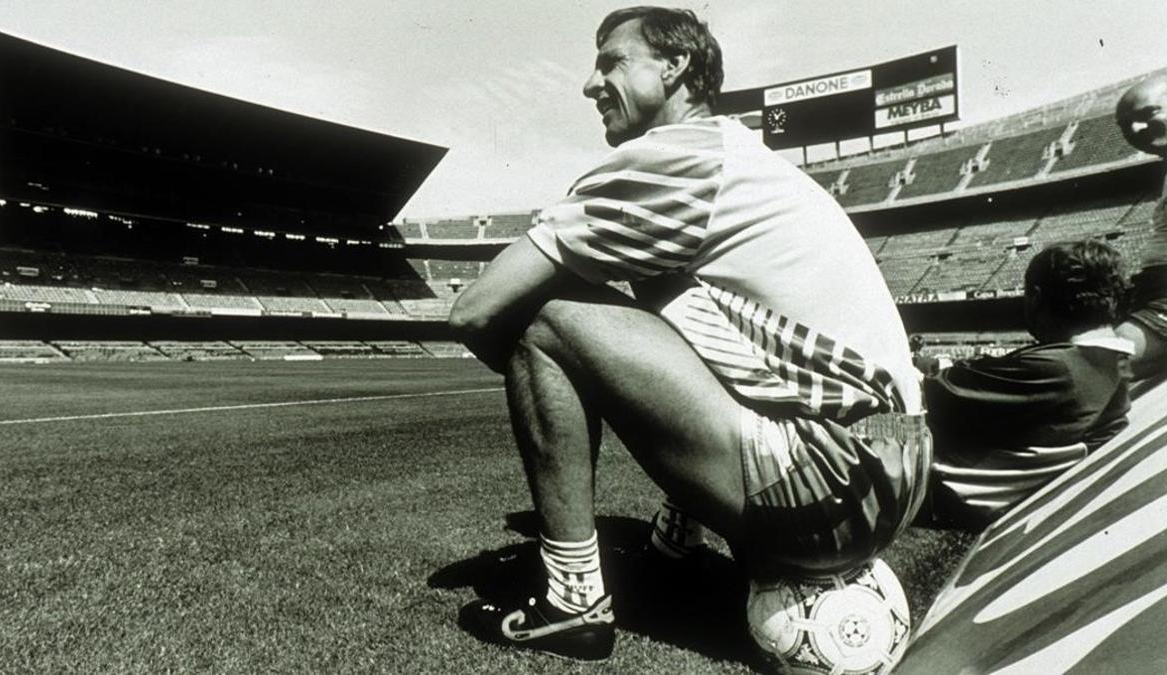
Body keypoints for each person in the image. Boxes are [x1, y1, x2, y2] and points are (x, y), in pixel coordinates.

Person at [449, 6, 928, 662]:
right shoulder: (733, 157)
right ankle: (678, 542)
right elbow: (711, 348)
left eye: (612, 61)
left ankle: (574, 601)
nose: (591, 84)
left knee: (545, 317)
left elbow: (474, 310)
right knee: (664, 319)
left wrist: (557, 380)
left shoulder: (671, 159)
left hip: (833, 481)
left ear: (675, 68)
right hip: (891, 475)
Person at [922, 240, 1133, 532]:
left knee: (860, 422)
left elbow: (929, 395)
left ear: (1035, 298)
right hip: (957, 478)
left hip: (927, 480)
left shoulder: (1062, 368)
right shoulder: (1109, 364)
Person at [1115, 74, 1167, 382]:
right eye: (1125, 124)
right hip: (1152, 286)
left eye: (1148, 114)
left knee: (1103, 365)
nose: (1135, 129)